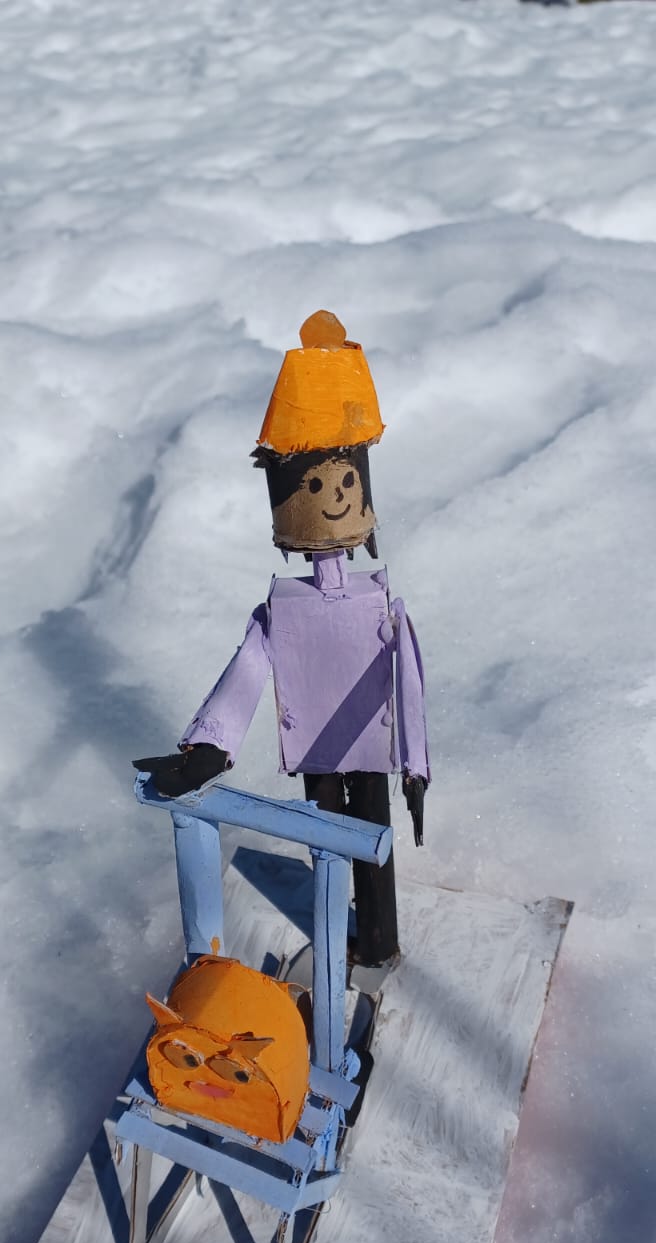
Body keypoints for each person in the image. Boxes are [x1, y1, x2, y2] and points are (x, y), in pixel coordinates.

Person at [134, 311, 429, 967]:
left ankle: (378, 940)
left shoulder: (378, 603)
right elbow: (244, 675)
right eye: (314, 485)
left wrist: (415, 763)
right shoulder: (282, 611)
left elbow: (406, 680)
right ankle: (337, 929)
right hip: (316, 744)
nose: (334, 498)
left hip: (368, 739)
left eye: (346, 482)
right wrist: (209, 747)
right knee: (324, 840)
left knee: (372, 836)